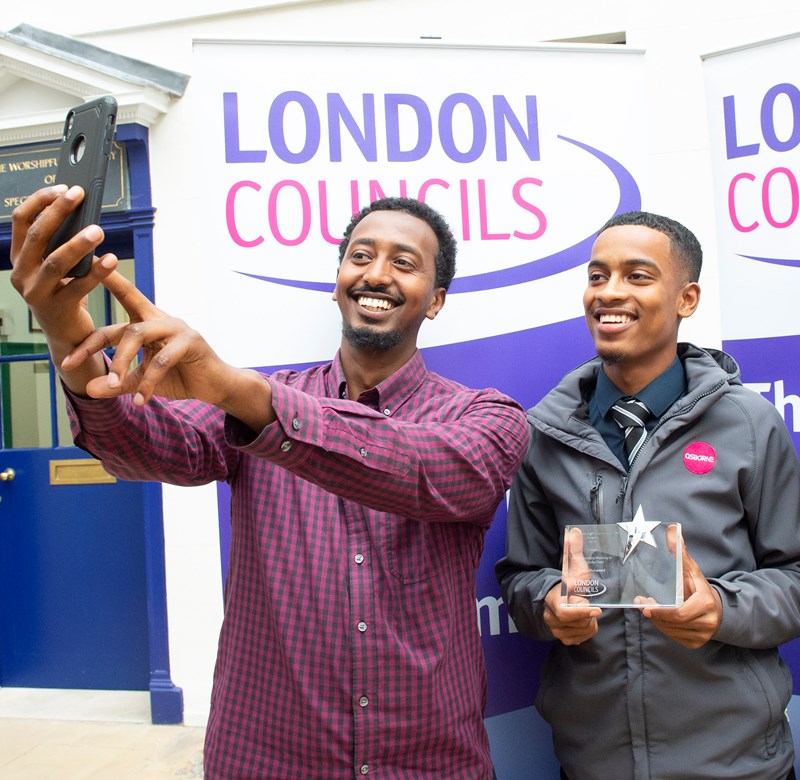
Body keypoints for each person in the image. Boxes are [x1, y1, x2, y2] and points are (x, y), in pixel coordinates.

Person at [10, 186, 529, 780]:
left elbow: (433, 470)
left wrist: (238, 392)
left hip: (428, 762)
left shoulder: (487, 417)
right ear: (337, 279)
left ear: (435, 300)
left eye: (404, 263)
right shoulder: (251, 404)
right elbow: (136, 444)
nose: (376, 274)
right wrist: (61, 324)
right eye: (360, 256)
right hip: (265, 757)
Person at [496, 210, 800, 780]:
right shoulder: (543, 433)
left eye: (637, 275)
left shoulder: (747, 423)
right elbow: (520, 578)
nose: (610, 293)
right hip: (592, 763)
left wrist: (721, 611)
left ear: (687, 298)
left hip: (739, 766)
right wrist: (549, 603)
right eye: (597, 275)